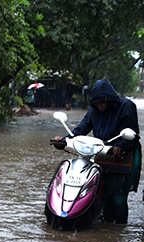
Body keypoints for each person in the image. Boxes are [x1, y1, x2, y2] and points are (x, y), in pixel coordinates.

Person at [53, 79, 141, 223]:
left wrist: (120, 147)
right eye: (97, 103)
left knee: (118, 197)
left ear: (110, 101)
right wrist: (63, 140)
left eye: (103, 103)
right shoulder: (93, 110)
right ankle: (102, 224)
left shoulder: (126, 106)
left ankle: (117, 228)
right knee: (100, 192)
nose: (100, 107)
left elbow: (133, 134)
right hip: (101, 152)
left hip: (124, 154)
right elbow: (80, 130)